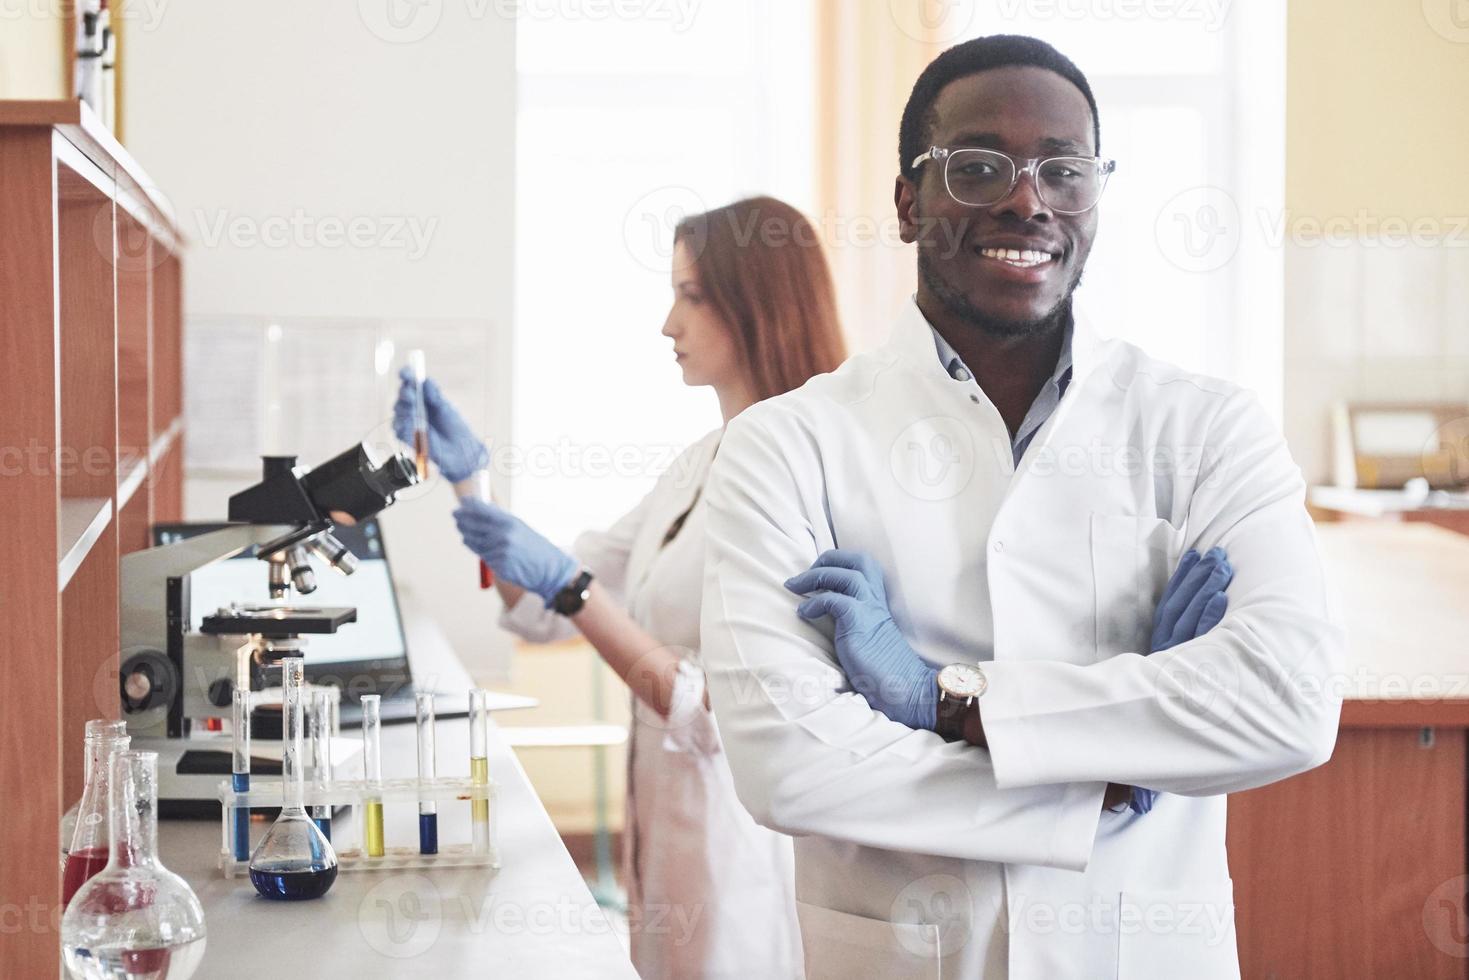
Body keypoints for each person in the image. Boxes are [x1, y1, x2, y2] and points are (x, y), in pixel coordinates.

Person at [699, 35, 1343, 979]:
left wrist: (949, 702)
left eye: (1063, 169)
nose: (1026, 198)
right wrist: (1119, 772)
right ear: (908, 199)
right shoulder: (788, 444)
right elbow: (790, 764)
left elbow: (1289, 702)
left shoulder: (1207, 429)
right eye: (978, 166)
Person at [395, 196, 846, 980]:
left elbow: (719, 712)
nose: (667, 323)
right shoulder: (703, 461)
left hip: (746, 854)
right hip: (667, 838)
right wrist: (469, 481)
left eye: (690, 295)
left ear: (761, 305)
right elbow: (540, 612)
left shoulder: (810, 474)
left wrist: (572, 591)